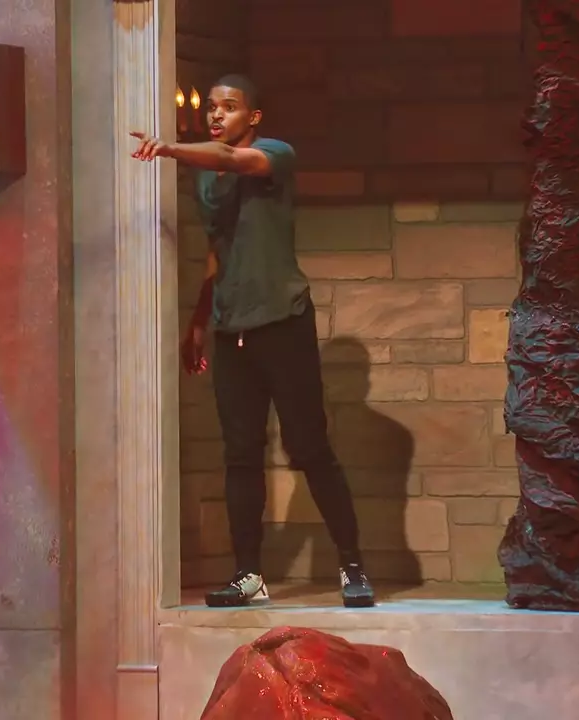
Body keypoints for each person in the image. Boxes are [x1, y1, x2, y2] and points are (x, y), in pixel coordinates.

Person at [130, 74, 376, 609]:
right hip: (231, 327)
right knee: (240, 454)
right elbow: (217, 251)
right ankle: (249, 575)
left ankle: (352, 566)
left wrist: (168, 148)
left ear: (253, 117)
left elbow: (231, 159)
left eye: (230, 107)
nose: (217, 115)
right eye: (212, 107)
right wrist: (199, 321)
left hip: (283, 321)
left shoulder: (275, 154)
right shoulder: (206, 177)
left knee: (309, 447)